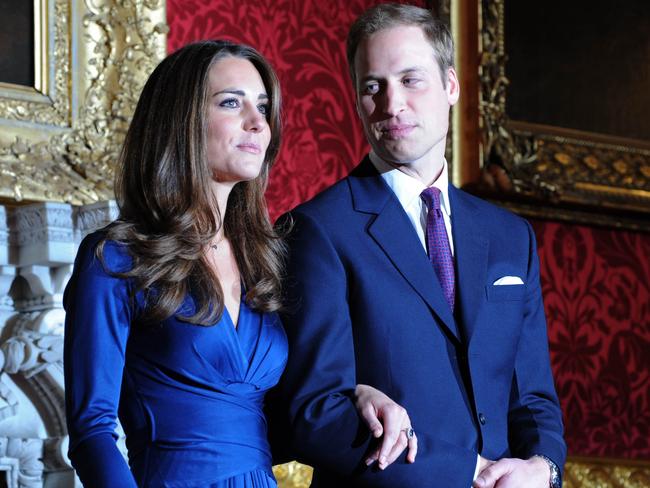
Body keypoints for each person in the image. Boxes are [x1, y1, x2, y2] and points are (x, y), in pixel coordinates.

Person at [63, 40, 405, 488]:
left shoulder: (267, 258)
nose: (258, 123)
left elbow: (280, 418)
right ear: (181, 121)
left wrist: (357, 394)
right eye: (231, 103)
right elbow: (92, 430)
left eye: (263, 107)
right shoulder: (115, 257)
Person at [274, 4, 567, 487]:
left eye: (411, 80)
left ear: (451, 86)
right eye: (373, 87)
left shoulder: (511, 236)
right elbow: (316, 412)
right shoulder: (316, 230)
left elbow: (532, 397)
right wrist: (466, 471)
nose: (392, 105)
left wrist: (543, 468)